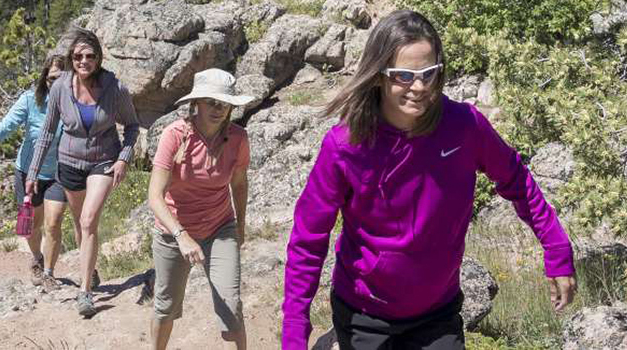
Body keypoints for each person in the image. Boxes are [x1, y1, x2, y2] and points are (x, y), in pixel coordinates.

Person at [282, 10, 577, 350]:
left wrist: (556, 248)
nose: (419, 87)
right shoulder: (345, 146)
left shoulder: (464, 126)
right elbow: (308, 240)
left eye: (429, 73)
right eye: (404, 76)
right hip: (364, 314)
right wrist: (293, 333)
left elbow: (515, 178)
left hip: (438, 314)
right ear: (379, 75)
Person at [25, 26, 141, 316]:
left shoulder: (115, 88)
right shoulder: (61, 88)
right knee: (79, 223)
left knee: (89, 221)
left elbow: (132, 126)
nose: (84, 61)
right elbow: (48, 132)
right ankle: (91, 269)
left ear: (99, 58)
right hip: (69, 162)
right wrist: (33, 172)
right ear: (71, 58)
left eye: (90, 56)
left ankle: (85, 292)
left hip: (104, 160)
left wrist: (124, 158)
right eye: (78, 56)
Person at [148, 68, 252, 350]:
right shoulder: (175, 136)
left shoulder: (238, 138)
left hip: (220, 227)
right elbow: (154, 196)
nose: (219, 109)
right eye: (212, 102)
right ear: (197, 103)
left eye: (225, 103)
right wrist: (182, 236)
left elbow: (239, 186)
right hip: (173, 231)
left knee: (232, 308)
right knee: (165, 307)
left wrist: (240, 227)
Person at [0, 54, 76, 291]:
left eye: (61, 79)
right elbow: (3, 128)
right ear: (44, 80)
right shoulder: (30, 101)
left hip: (58, 173)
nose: (55, 84)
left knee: (54, 223)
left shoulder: (74, 104)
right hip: (28, 172)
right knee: (32, 225)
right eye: (51, 79)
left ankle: (48, 273)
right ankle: (36, 257)